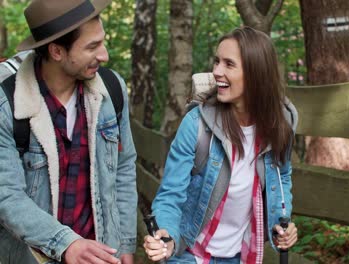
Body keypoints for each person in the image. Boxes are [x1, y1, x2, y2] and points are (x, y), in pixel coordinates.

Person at [144, 26, 299, 263]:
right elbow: (170, 194)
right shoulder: (196, 124)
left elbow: (282, 176)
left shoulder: (281, 124)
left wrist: (281, 223)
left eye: (229, 64)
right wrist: (167, 235)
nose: (216, 71)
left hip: (241, 254)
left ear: (255, 72)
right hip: (189, 253)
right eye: (217, 62)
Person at [0, 0, 137, 263]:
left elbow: (124, 167)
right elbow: (7, 195)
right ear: (56, 51)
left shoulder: (111, 91)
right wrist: (66, 243)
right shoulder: (7, 102)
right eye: (92, 47)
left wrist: (126, 246)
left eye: (102, 42)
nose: (105, 55)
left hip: (100, 255)